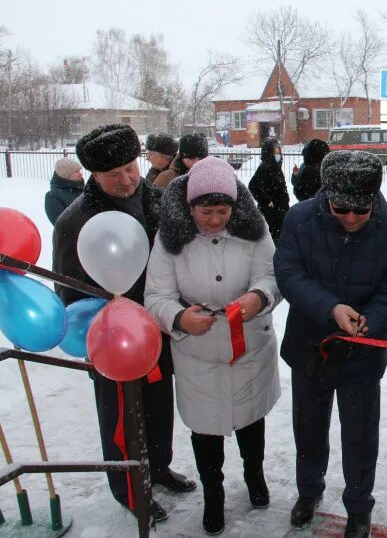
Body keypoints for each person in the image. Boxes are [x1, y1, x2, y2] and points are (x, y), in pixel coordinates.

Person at [52, 124, 196, 524]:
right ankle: (129, 489)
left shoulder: (159, 199)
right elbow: (67, 289)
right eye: (113, 174)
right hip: (113, 337)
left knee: (158, 405)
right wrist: (99, 329)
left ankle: (159, 467)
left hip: (160, 326)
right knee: (120, 415)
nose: (126, 180)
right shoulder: (75, 220)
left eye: (130, 168)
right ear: (93, 176)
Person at [275, 150, 387, 538]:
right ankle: (309, 492)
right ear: (326, 195)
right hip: (309, 348)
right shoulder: (300, 219)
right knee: (309, 429)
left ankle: (358, 506)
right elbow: (288, 272)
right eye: (341, 209)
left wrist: (374, 323)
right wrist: (330, 307)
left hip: (361, 354)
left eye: (360, 210)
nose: (350, 218)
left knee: (360, 436)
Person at [144, 157, 281, 535]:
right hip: (196, 353)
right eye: (206, 211)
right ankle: (213, 493)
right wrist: (178, 318)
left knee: (251, 419)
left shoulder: (255, 230)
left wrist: (258, 297)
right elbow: (155, 295)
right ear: (190, 207)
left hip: (250, 346)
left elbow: (272, 276)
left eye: (223, 210)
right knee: (206, 429)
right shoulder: (170, 237)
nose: (215, 219)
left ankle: (255, 475)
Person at [248, 137, 290, 243]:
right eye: (275, 152)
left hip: (279, 211)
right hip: (272, 213)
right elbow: (253, 185)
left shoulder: (275, 167)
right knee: (274, 240)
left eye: (279, 151)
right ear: (269, 152)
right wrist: (267, 201)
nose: (278, 154)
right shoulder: (266, 167)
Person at [44, 157, 84, 224]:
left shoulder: (83, 189)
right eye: (76, 172)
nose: (81, 174)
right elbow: (61, 224)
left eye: (79, 171)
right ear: (66, 175)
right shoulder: (52, 196)